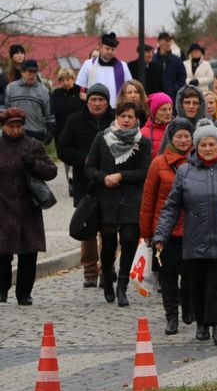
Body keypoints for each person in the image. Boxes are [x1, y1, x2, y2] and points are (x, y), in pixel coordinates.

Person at [153, 122, 217, 345]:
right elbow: (171, 207)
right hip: (195, 238)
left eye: (212, 144)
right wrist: (161, 235)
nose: (208, 148)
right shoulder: (185, 171)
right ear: (196, 147)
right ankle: (202, 324)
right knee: (197, 285)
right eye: (203, 145)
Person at [85, 101, 152, 307]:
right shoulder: (102, 138)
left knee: (130, 240)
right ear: (116, 118)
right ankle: (107, 278)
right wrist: (104, 177)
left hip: (132, 200)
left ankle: (122, 286)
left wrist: (121, 176)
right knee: (108, 246)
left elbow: (144, 171)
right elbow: (89, 166)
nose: (125, 120)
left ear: (136, 120)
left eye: (130, 116)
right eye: (122, 116)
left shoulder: (143, 142)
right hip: (107, 200)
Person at [138, 117, 195, 334]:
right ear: (171, 138)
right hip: (166, 230)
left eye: (186, 137)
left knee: (190, 275)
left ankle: (188, 303)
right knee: (168, 277)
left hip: (192, 229)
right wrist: (146, 232)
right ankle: (171, 316)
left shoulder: (197, 161)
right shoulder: (158, 163)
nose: (182, 140)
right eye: (179, 136)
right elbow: (148, 199)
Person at [57, 83, 114, 287]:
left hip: (110, 182)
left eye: (101, 100)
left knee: (108, 229)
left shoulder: (116, 120)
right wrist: (88, 160)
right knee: (87, 229)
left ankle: (107, 268)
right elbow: (63, 150)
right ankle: (90, 270)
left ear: (108, 103)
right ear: (87, 102)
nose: (97, 104)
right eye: (93, 100)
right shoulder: (74, 121)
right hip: (85, 182)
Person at [0, 108, 58, 305]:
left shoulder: (33, 145)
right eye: (11, 126)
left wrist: (34, 165)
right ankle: (1, 290)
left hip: (28, 208)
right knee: (2, 254)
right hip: (2, 207)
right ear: (3, 127)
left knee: (28, 253)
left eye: (19, 126)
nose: (15, 130)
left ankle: (24, 293)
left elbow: (52, 171)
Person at [6, 59, 53, 143]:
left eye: (35, 72)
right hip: (14, 133)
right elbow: (3, 108)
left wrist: (50, 132)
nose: (32, 75)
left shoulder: (44, 90)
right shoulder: (11, 88)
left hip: (36, 134)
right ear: (22, 72)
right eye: (29, 72)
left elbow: (49, 115)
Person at [76, 32, 133, 101]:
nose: (110, 51)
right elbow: (79, 86)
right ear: (100, 47)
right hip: (93, 106)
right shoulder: (88, 64)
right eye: (107, 48)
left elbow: (130, 87)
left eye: (113, 49)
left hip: (116, 108)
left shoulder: (123, 66)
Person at [50, 67, 84, 144]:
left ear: (73, 79)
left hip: (79, 130)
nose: (65, 82)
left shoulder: (81, 91)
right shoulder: (56, 93)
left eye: (68, 80)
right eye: (62, 80)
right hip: (61, 131)